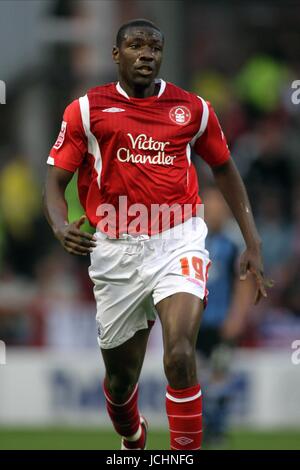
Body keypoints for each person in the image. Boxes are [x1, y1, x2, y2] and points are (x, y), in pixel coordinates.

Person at [43, 19, 268, 451]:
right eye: (135, 45)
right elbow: (54, 182)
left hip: (178, 238)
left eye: (154, 47)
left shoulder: (193, 109)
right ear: (116, 55)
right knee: (120, 378)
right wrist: (59, 225)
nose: (146, 54)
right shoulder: (87, 110)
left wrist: (252, 241)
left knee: (181, 355)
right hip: (114, 249)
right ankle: (131, 434)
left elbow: (224, 168)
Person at [196, 186, 254, 447]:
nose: (214, 211)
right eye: (209, 206)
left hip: (221, 323)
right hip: (194, 324)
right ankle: (201, 427)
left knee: (219, 374)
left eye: (218, 206)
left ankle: (217, 429)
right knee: (194, 377)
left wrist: (236, 317)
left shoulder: (234, 241)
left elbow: (244, 281)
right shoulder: (193, 237)